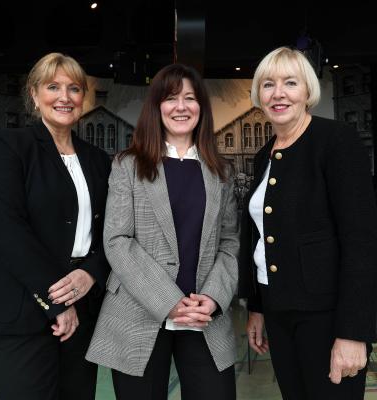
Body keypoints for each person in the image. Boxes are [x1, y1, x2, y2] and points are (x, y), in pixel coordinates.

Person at [86, 63, 239, 400]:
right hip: (137, 313)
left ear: (201, 106)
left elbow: (230, 243)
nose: (181, 106)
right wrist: (168, 301)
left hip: (204, 317)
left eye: (189, 98)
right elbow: (116, 240)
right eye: (170, 98)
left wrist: (213, 298)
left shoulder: (221, 171)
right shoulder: (128, 164)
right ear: (156, 107)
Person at [238, 46, 377, 400]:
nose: (278, 93)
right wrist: (256, 307)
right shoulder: (263, 153)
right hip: (277, 311)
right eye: (268, 85)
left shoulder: (336, 141)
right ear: (258, 94)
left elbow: (361, 240)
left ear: (307, 91)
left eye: (290, 83)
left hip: (327, 317)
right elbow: (260, 236)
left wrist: (353, 332)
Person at [0, 52, 111, 400]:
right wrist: (58, 302)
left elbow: (111, 231)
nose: (64, 97)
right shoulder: (9, 147)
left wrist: (91, 274)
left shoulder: (97, 160)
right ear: (34, 95)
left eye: (74, 89)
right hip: (21, 309)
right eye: (53, 87)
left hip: (82, 307)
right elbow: (8, 232)